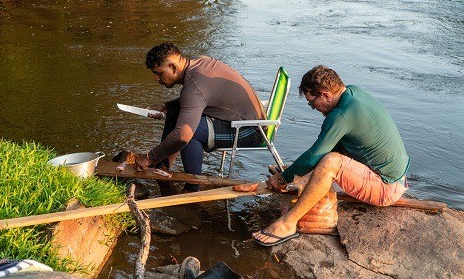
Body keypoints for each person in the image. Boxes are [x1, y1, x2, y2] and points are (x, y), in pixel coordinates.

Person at [253, 65, 410, 246]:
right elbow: (324, 149)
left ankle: (288, 224)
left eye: (312, 103)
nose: (314, 108)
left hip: (386, 187)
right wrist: (293, 172)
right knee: (325, 157)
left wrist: (282, 179)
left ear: (326, 95)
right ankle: (295, 184)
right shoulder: (353, 93)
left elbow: (317, 155)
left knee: (330, 163)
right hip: (395, 178)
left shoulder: (341, 115)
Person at [134, 42, 266, 192]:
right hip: (246, 120)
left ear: (173, 67)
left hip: (252, 131)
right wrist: (168, 106)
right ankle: (162, 169)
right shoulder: (198, 62)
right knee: (177, 114)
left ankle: (192, 187)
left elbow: (183, 135)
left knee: (190, 131)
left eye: (159, 73)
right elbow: (199, 96)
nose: (156, 79)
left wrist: (149, 157)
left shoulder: (194, 86)